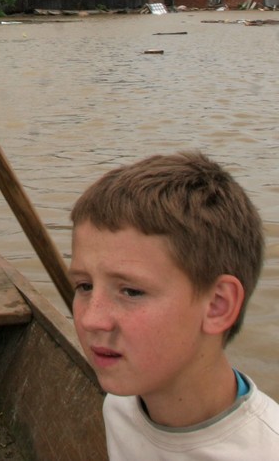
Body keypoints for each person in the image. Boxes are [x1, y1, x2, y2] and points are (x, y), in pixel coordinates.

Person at [69, 152, 279, 459]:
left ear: (217, 305)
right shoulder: (121, 406)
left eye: (131, 291)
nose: (91, 319)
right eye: (84, 286)